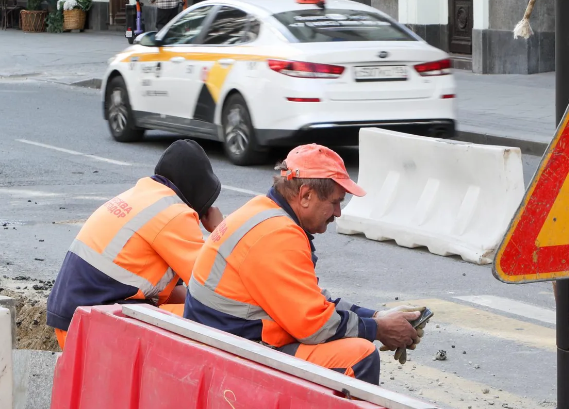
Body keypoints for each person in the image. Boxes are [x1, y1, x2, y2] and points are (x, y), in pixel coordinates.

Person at [184, 144, 425, 385]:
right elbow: (314, 327)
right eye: (335, 202)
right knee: (360, 355)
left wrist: (377, 316)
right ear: (306, 195)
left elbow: (310, 301)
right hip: (232, 357)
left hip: (222, 344)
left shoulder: (263, 211)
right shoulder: (279, 235)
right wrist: (379, 329)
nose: (338, 213)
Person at [46, 139, 223, 349]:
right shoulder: (174, 214)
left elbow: (173, 294)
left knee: (191, 309)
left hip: (74, 320)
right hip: (93, 326)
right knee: (208, 320)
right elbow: (213, 286)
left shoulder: (144, 196)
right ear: (200, 189)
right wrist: (220, 231)